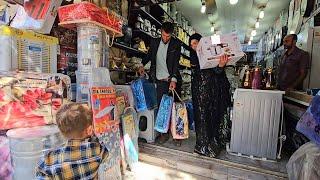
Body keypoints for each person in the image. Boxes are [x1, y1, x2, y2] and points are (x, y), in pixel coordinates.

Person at [36, 103, 108, 179]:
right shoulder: (97, 150)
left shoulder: (49, 159)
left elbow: (40, 174)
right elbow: (107, 153)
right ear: (90, 130)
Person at [138, 22, 182, 144]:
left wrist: (173, 79)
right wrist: (141, 64)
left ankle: (178, 135)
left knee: (175, 108)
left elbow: (175, 64)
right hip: (159, 81)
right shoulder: (154, 42)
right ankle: (164, 133)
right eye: (163, 35)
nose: (165, 38)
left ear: (171, 34)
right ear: (161, 32)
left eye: (168, 36)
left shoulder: (176, 44)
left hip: (172, 80)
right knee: (163, 108)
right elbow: (149, 56)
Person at [189, 33, 231, 158]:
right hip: (199, 94)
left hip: (212, 93)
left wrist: (220, 66)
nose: (194, 47)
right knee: (200, 119)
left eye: (195, 43)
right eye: (191, 45)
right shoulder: (193, 57)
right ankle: (201, 146)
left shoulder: (212, 53)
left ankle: (212, 147)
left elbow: (216, 74)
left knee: (212, 118)